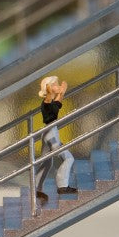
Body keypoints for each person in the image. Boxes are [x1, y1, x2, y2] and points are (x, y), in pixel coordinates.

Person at [35, 75, 77, 205]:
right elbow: (49, 98)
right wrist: (50, 90)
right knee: (68, 158)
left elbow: (58, 103)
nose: (58, 86)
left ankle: (37, 188)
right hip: (51, 134)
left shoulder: (52, 103)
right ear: (48, 88)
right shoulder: (47, 102)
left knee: (46, 163)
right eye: (55, 84)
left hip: (49, 132)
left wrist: (62, 91)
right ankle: (62, 186)